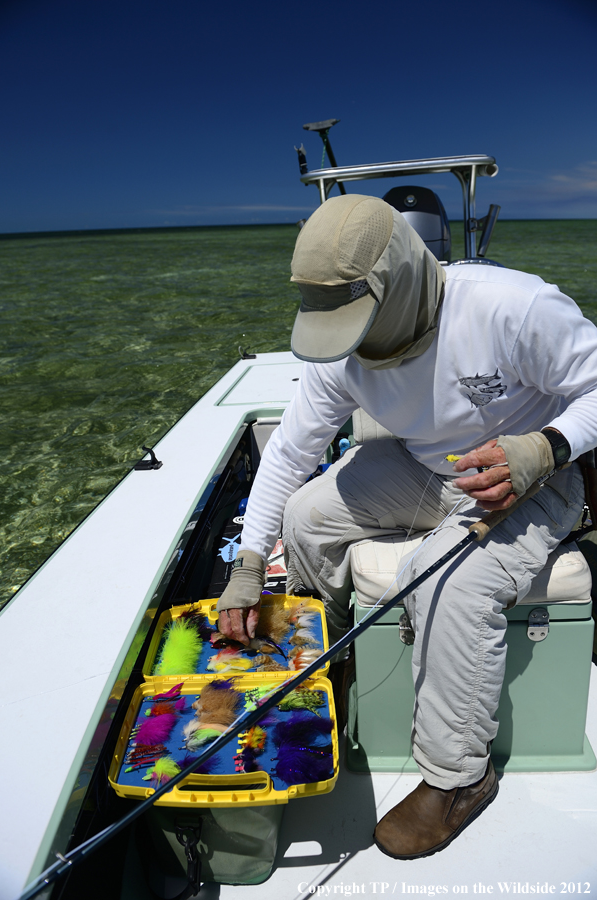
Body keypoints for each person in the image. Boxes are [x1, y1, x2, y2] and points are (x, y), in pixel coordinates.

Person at [216, 194, 597, 859]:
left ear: (399, 283)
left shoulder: (511, 306)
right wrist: (247, 567)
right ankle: (333, 658)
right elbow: (289, 453)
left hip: (537, 476)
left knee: (443, 579)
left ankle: (459, 778)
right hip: (426, 467)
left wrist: (545, 447)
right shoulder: (338, 351)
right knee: (305, 517)